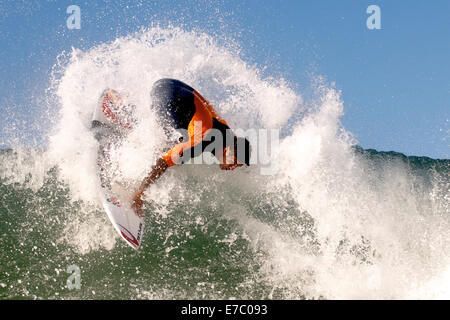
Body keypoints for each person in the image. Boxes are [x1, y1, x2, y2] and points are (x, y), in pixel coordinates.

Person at [131, 78, 251, 217]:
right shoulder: (203, 140)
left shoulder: (229, 136)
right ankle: (123, 125)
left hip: (175, 86)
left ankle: (126, 105)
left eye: (237, 165)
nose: (233, 167)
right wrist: (140, 193)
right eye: (234, 162)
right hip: (168, 95)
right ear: (228, 150)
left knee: (181, 143)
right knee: (168, 147)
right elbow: (163, 162)